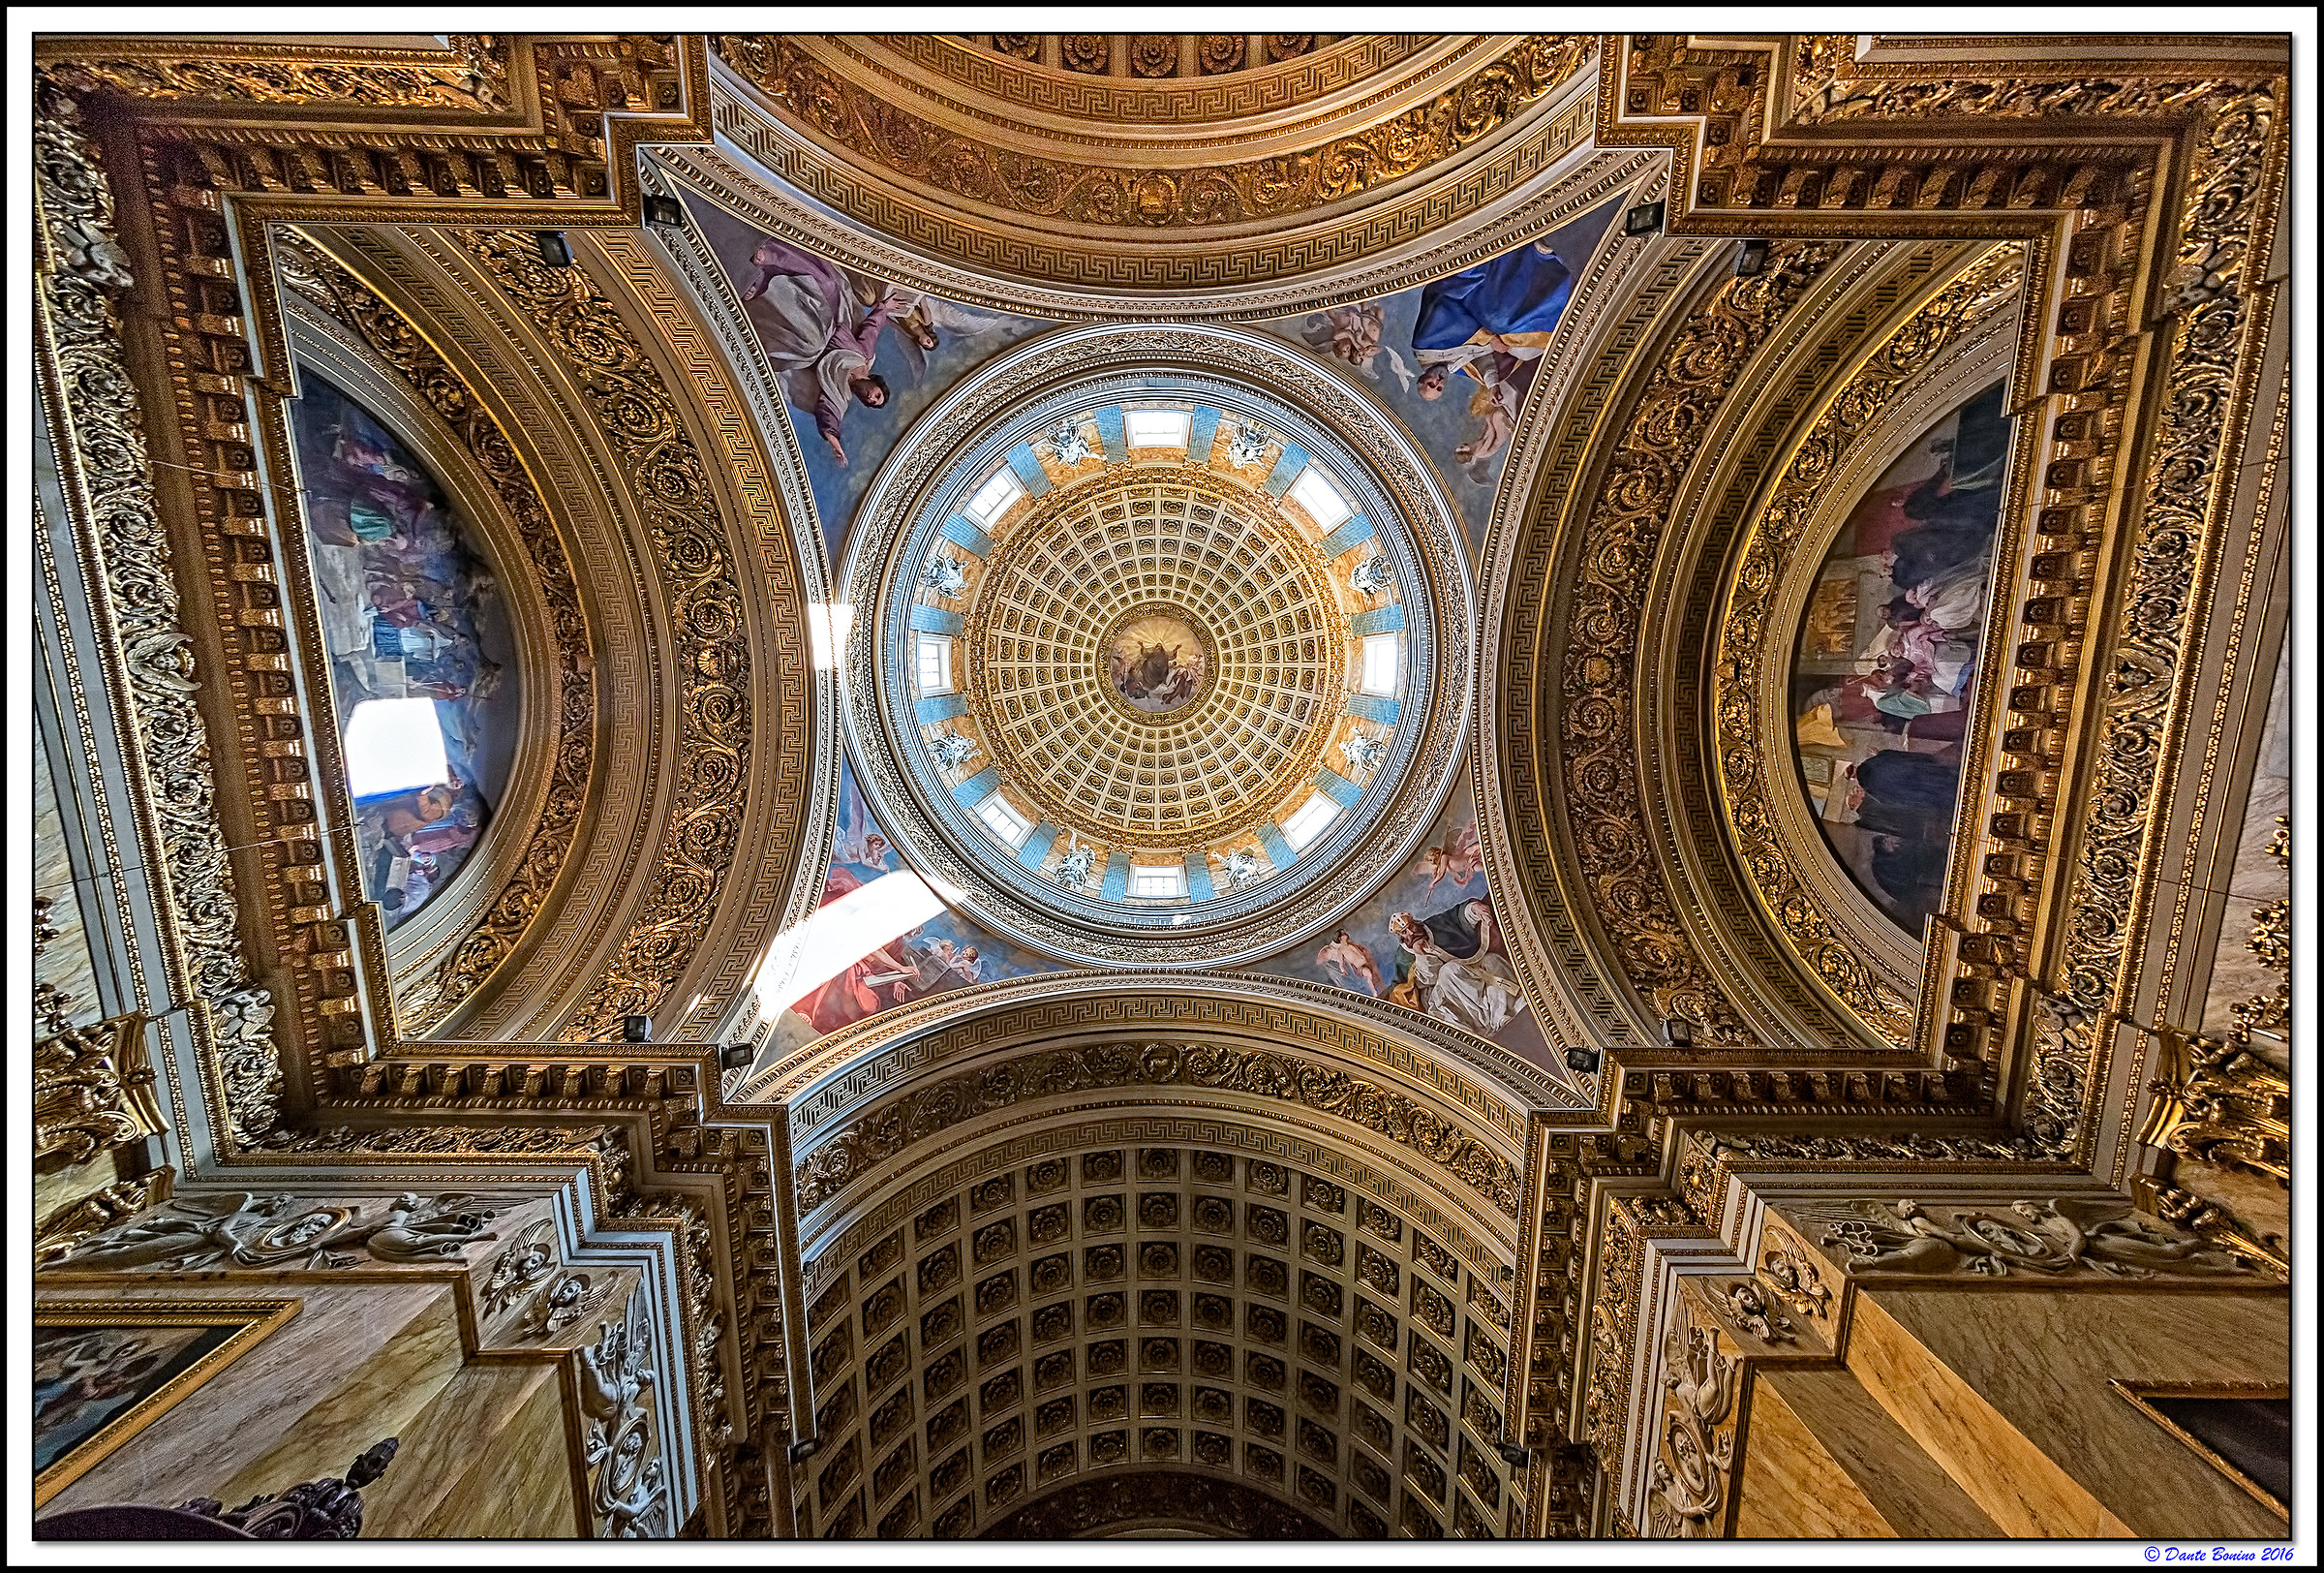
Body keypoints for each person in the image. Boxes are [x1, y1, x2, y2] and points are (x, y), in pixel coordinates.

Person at [737, 236, 894, 467]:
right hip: (831, 318)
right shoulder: (864, 357)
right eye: (877, 396)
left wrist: (834, 443)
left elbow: (828, 417)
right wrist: (884, 308)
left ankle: (761, 290)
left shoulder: (840, 394)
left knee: (810, 344)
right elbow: (872, 329)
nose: (871, 398)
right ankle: (771, 258)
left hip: (810, 346)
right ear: (877, 384)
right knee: (828, 284)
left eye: (871, 403)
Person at [1315, 930, 1382, 997]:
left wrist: (1365, 954)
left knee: (1376, 977)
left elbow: (1359, 952)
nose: (1346, 934)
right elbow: (1341, 963)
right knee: (1369, 974)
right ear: (1340, 938)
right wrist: (1343, 970)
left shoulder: (1351, 945)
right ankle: (1374, 992)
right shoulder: (1340, 951)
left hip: (1367, 963)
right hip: (1360, 968)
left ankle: (1382, 989)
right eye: (1344, 934)